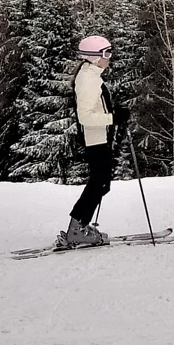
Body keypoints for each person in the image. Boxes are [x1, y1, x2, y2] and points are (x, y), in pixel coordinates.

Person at [58, 35, 128, 249]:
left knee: (102, 182)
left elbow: (97, 107)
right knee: (99, 182)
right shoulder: (88, 79)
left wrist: (114, 113)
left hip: (99, 135)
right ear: (94, 57)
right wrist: (113, 118)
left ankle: (80, 226)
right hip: (94, 137)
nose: (110, 57)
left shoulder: (92, 75)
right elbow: (85, 116)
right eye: (106, 53)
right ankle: (76, 229)